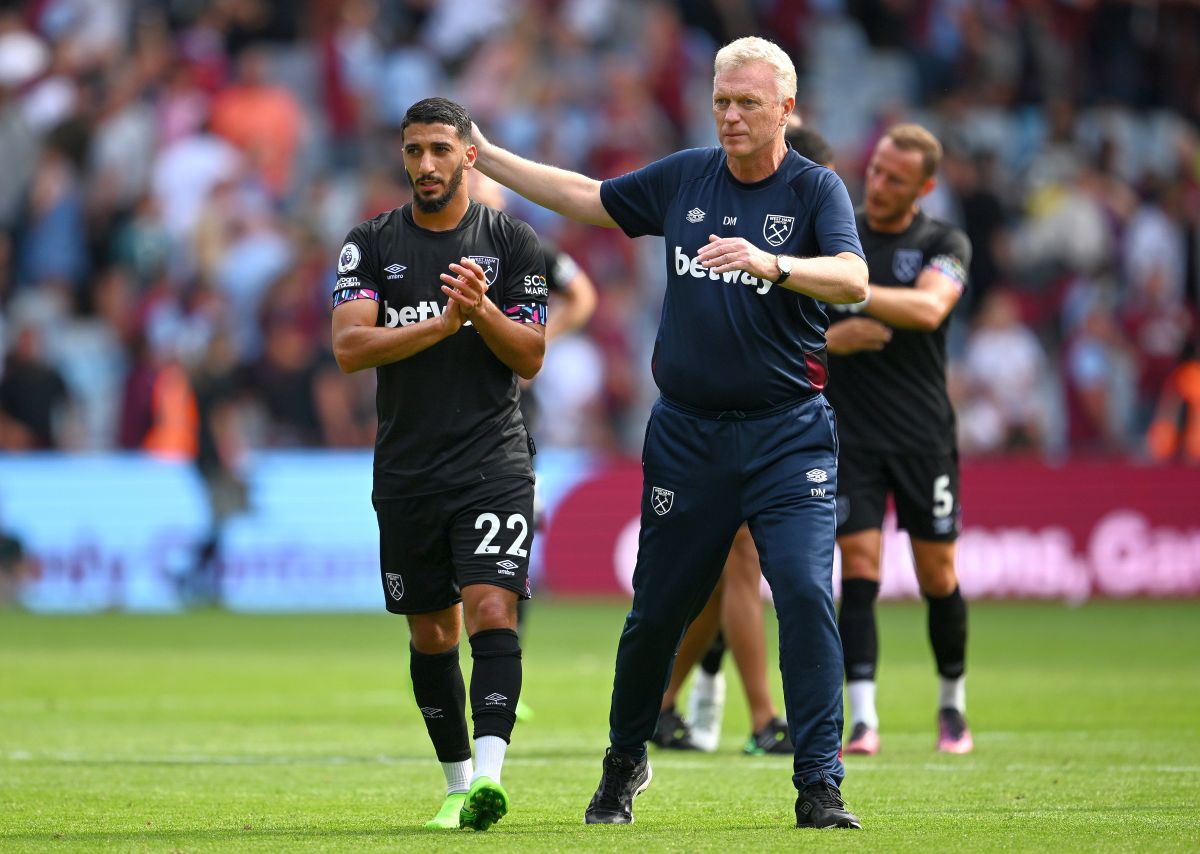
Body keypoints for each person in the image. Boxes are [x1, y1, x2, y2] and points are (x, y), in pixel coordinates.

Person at [473, 36, 868, 829]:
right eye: (722, 100)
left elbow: (855, 280)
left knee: (801, 593)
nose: (729, 115)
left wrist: (773, 263)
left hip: (787, 435)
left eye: (747, 102)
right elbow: (587, 196)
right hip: (687, 437)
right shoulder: (686, 176)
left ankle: (819, 785)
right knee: (656, 612)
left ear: (785, 109)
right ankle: (623, 764)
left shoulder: (815, 190)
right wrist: (490, 157)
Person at [330, 97, 547, 832]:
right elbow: (349, 348)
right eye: (414, 150)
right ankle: (456, 786)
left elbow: (531, 356)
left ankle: (489, 778)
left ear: (469, 157)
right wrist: (440, 323)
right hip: (408, 469)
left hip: (493, 460)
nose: (426, 164)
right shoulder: (368, 242)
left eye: (440, 150)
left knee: (491, 607)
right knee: (432, 635)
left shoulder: (513, 242)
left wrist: (479, 314)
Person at [653, 118, 839, 758]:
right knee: (734, 567)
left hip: (787, 423)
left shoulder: (816, 215)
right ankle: (761, 717)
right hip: (724, 426)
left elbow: (799, 321)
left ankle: (669, 700)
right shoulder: (763, 204)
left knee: (730, 573)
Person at [823, 123, 974, 756]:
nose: (878, 184)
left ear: (924, 187)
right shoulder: (839, 235)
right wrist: (837, 338)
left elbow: (929, 310)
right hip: (850, 436)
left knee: (937, 573)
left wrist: (855, 298)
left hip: (922, 438)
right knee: (857, 567)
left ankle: (952, 705)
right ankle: (863, 717)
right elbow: (797, 331)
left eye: (895, 178)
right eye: (876, 169)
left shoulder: (944, 241)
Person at [468, 169, 598, 720]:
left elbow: (582, 295)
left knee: (508, 554)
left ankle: (498, 668)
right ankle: (461, 667)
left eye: (486, 195)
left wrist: (536, 341)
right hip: (442, 424)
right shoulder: (422, 246)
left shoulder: (521, 247)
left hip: (509, 424)